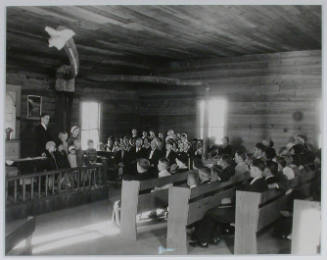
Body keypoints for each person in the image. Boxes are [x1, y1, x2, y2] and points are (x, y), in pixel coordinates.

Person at [190, 159, 268, 248]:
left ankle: (203, 241)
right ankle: (213, 237)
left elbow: (244, 199)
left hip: (241, 213)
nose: (250, 171)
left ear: (256, 170)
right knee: (216, 210)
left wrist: (230, 201)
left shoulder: (256, 184)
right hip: (249, 210)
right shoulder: (261, 182)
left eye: (252, 169)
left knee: (209, 213)